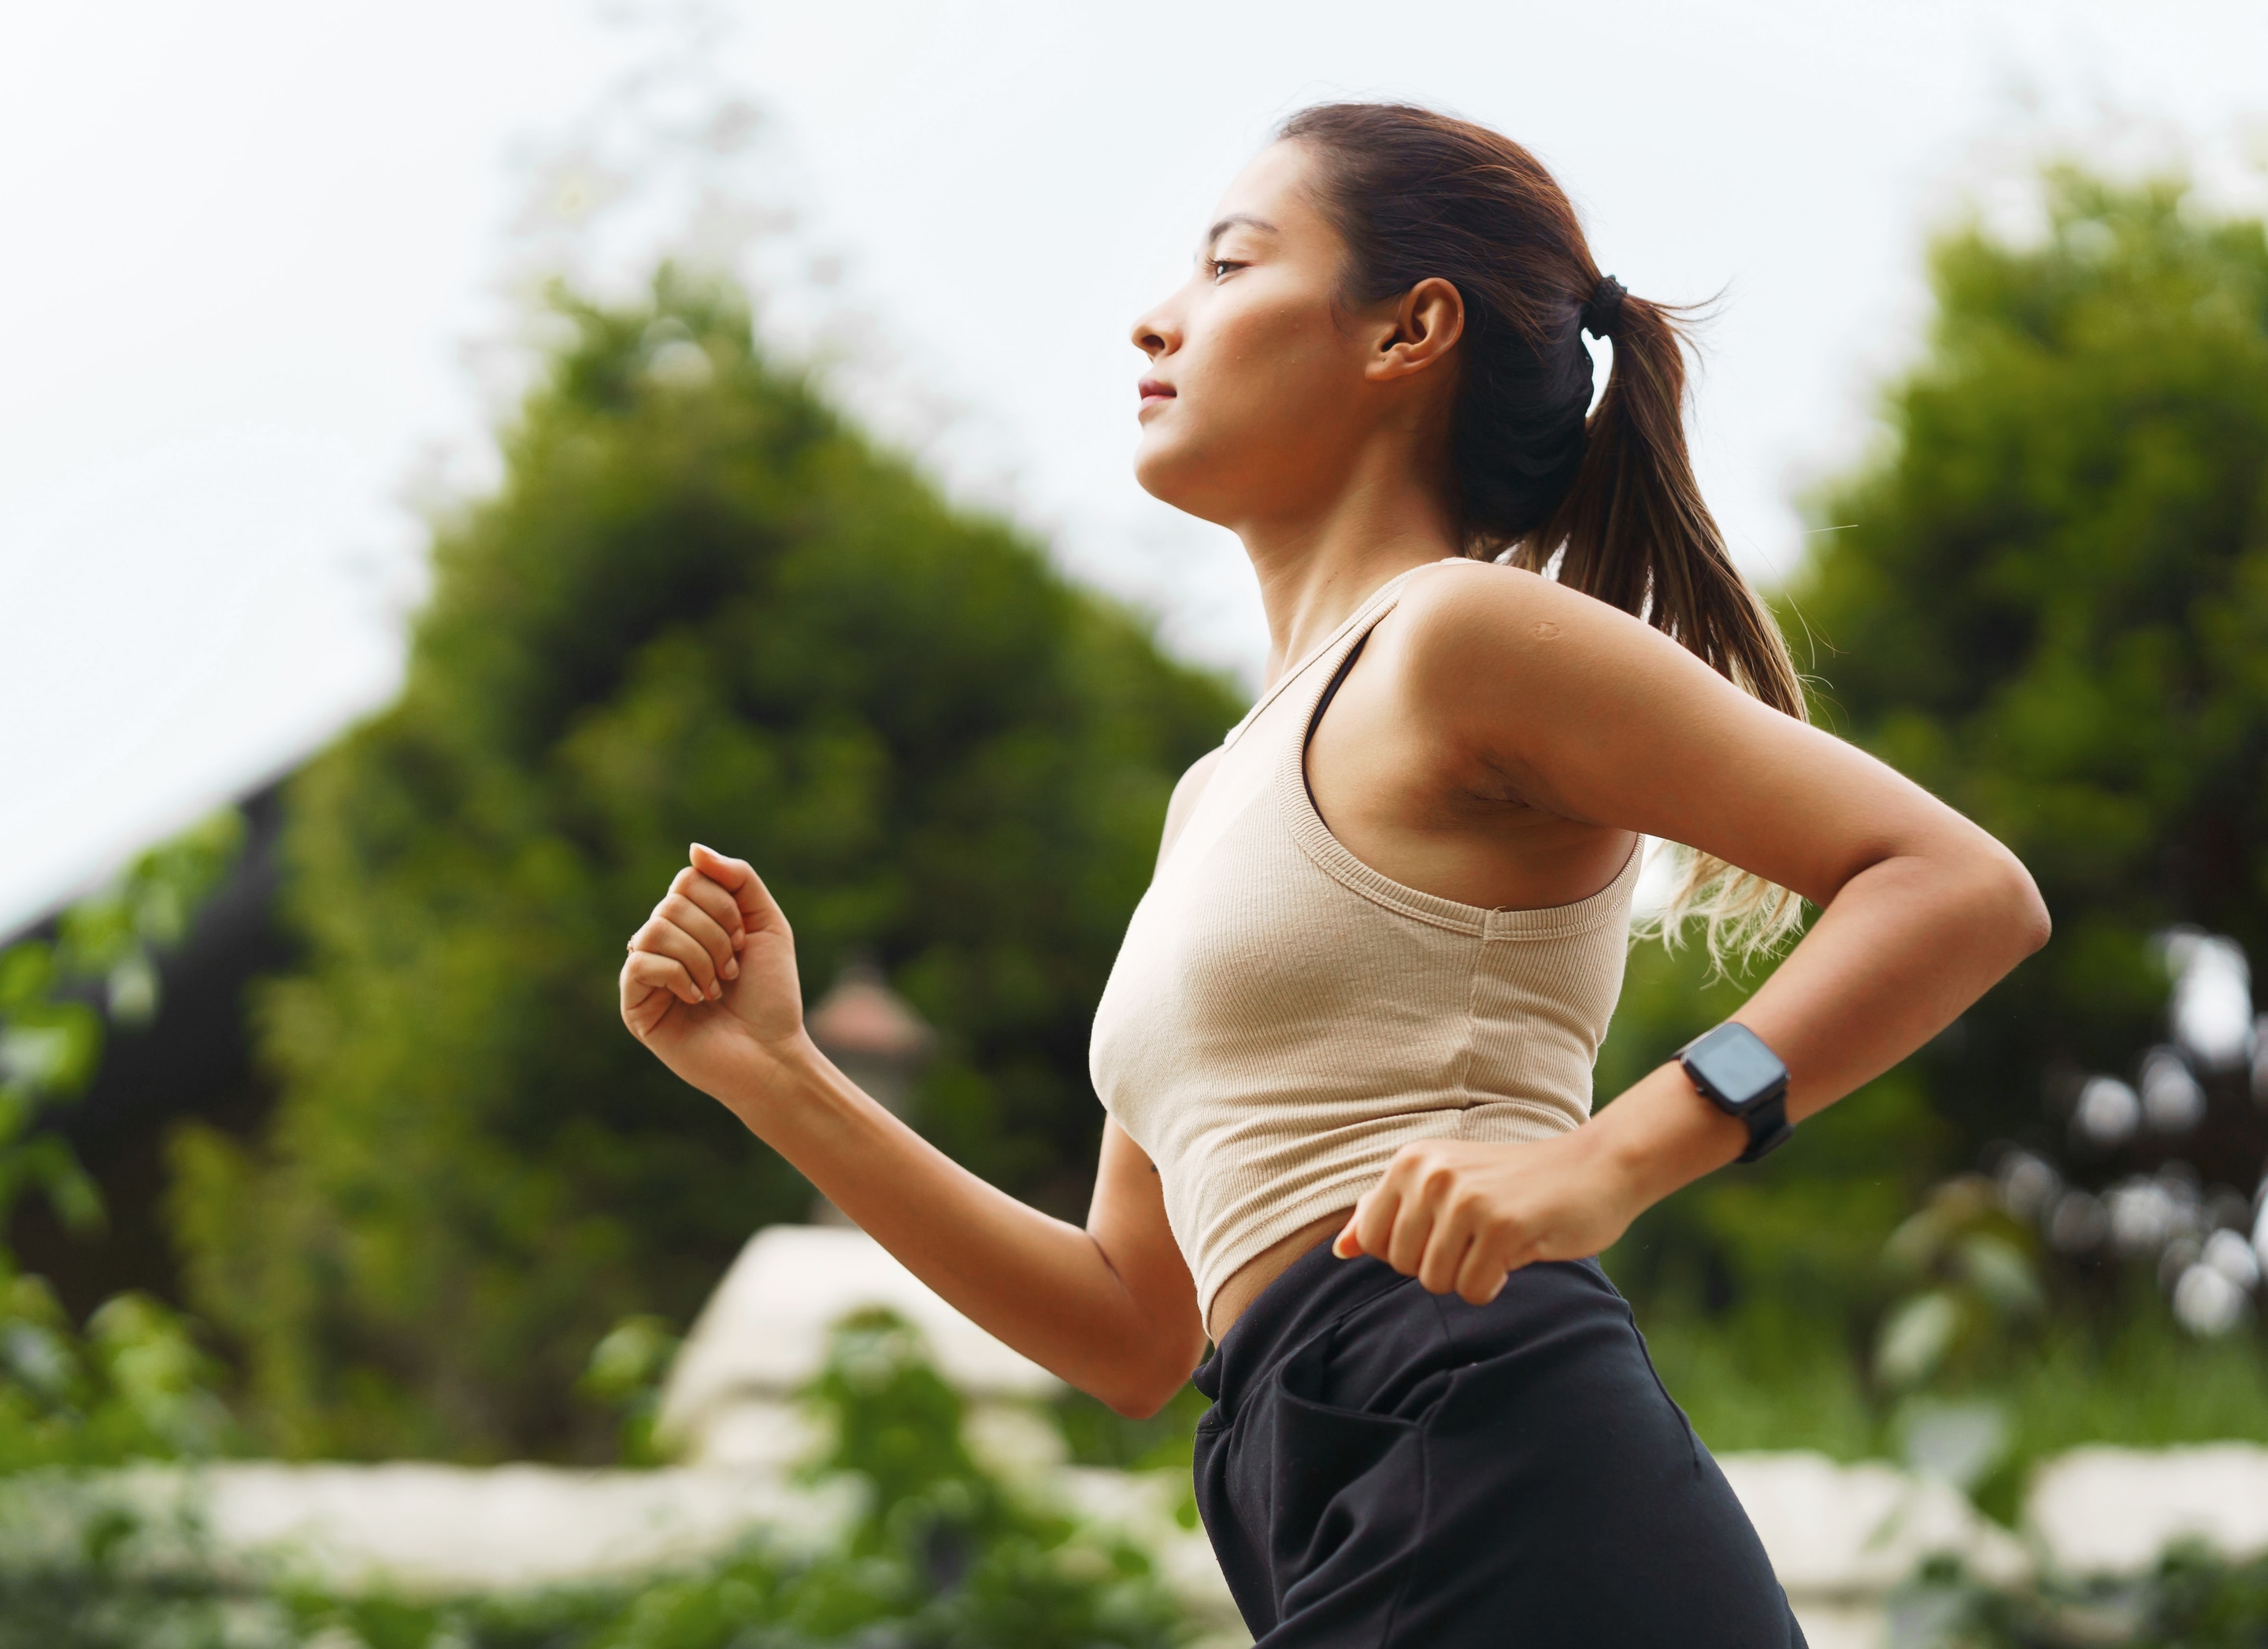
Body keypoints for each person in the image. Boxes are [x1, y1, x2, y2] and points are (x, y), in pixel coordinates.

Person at [618, 102, 2049, 1647]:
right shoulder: (1213, 798)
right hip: (1301, 1465)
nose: (1156, 316)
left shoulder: (1459, 638)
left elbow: (1957, 885)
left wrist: (1616, 1158)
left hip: (1485, 1431)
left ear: (1408, 331)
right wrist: (777, 1074)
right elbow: (1131, 1330)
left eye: (1233, 264)